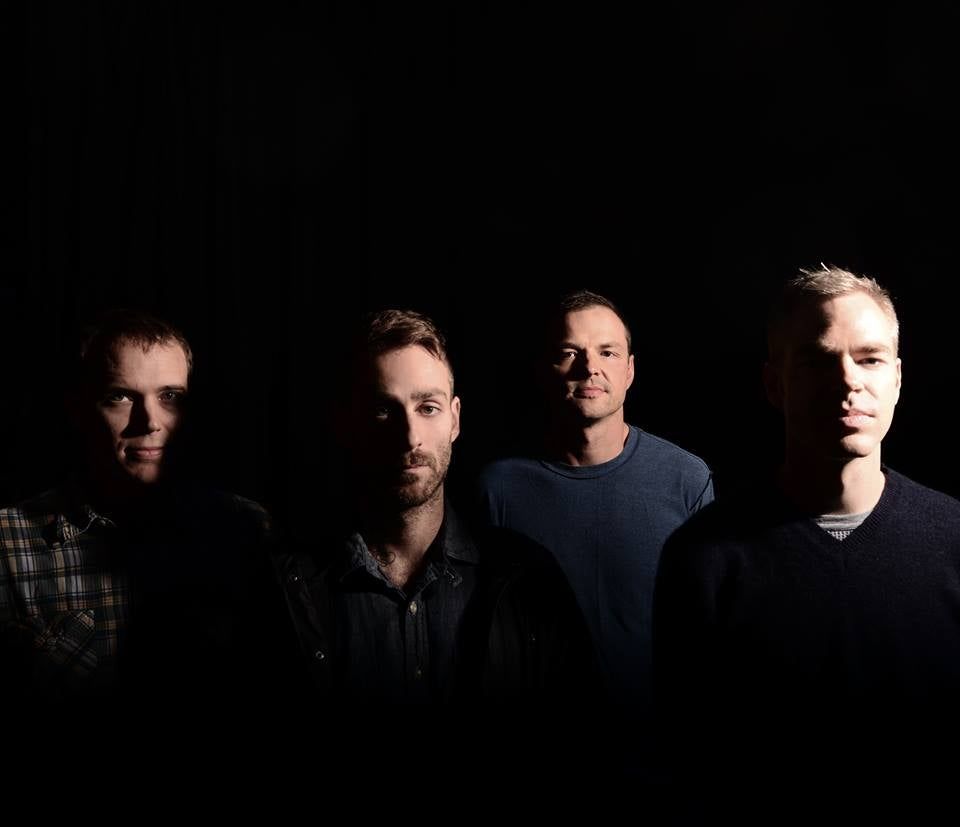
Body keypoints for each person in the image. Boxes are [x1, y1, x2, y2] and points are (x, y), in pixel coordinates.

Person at [653, 266, 960, 818]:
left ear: (897, 378)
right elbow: (690, 761)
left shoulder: (954, 537)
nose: (848, 382)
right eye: (818, 361)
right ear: (775, 385)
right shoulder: (704, 556)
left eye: (869, 359)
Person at [273, 309, 597, 775]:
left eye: (428, 407)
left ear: (455, 419)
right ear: (347, 424)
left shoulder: (527, 581)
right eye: (383, 409)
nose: (410, 437)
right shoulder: (289, 587)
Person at [0, 309, 290, 713]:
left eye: (170, 397)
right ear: (78, 409)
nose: (150, 421)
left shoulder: (251, 530)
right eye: (120, 396)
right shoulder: (8, 544)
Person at [475, 289, 714, 774]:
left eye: (608, 352)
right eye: (570, 352)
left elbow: (710, 641)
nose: (590, 368)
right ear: (544, 370)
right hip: (537, 759)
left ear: (630, 370)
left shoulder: (686, 480)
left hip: (661, 761)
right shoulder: (499, 488)